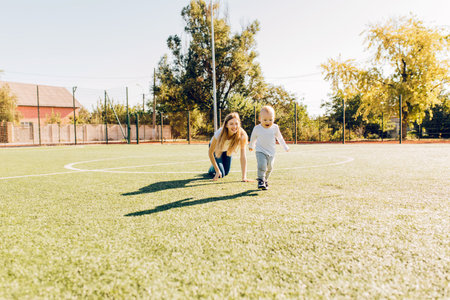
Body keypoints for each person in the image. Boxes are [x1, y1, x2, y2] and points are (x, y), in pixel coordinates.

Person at [249, 105, 289, 190]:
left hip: (271, 152)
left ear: (274, 119)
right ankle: (260, 180)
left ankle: (265, 180)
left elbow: (280, 138)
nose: (268, 122)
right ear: (260, 119)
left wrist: (285, 147)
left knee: (270, 167)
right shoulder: (257, 128)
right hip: (260, 151)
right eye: (265, 120)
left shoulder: (275, 128)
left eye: (270, 120)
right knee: (262, 165)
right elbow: (253, 137)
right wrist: (251, 145)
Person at [208, 112, 251, 182]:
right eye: (231, 124)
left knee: (226, 172)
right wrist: (217, 170)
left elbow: (243, 156)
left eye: (236, 124)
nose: (234, 127)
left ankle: (217, 164)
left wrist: (244, 177)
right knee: (221, 173)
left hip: (227, 150)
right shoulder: (219, 134)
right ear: (226, 125)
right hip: (217, 149)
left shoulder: (242, 135)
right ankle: (212, 168)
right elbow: (210, 152)